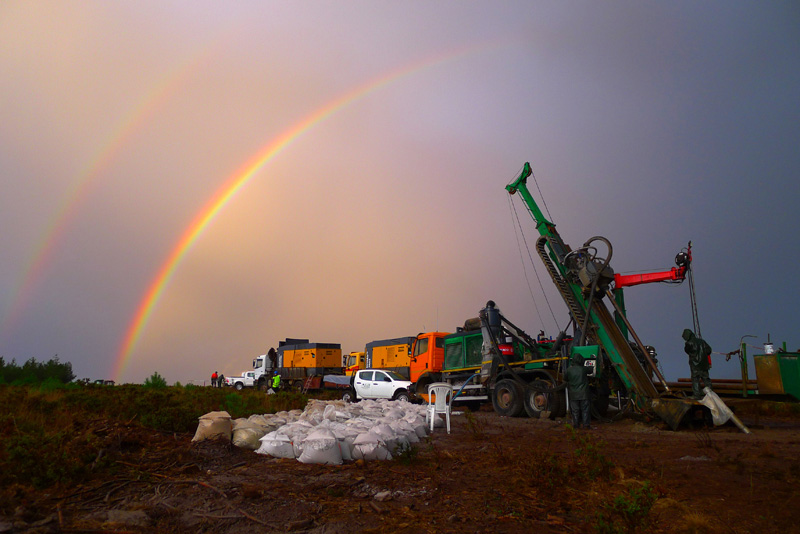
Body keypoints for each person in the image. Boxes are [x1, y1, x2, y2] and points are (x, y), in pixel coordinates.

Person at [683, 329, 713, 398]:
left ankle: (697, 395)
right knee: (706, 379)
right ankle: (710, 393)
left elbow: (687, 351)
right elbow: (709, 350)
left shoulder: (689, 343)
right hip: (704, 364)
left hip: (695, 365)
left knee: (695, 379)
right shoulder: (702, 341)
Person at [565, 353, 591, 429]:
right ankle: (586, 425)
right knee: (585, 410)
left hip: (573, 394)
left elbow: (565, 379)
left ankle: (576, 425)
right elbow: (591, 370)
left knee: (575, 410)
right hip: (584, 394)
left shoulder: (568, 370)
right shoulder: (583, 369)